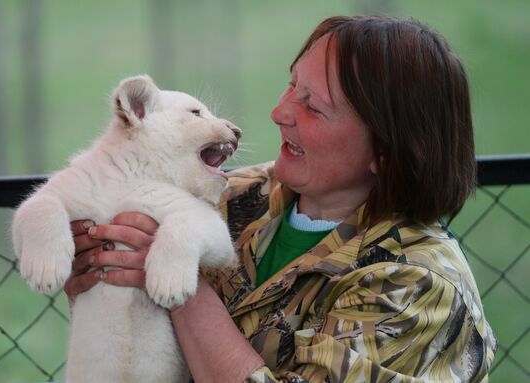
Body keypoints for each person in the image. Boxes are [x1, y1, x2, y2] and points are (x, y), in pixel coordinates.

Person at [65, 16, 496, 382]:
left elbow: (169, 279)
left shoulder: (415, 287)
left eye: (313, 106)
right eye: (292, 85)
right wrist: (94, 270)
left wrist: (178, 280)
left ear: (384, 152)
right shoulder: (234, 196)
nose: (279, 111)